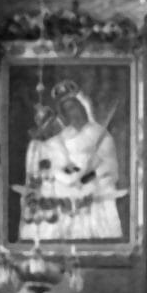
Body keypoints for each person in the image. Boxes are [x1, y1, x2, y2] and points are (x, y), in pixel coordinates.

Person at [19, 79, 123, 241]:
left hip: (92, 191)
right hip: (66, 189)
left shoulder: (100, 134)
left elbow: (110, 168)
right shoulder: (63, 136)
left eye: (73, 107)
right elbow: (56, 160)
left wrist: (85, 178)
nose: (72, 112)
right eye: (66, 109)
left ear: (82, 106)